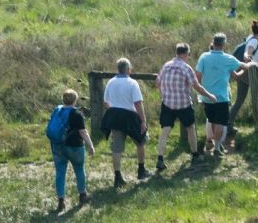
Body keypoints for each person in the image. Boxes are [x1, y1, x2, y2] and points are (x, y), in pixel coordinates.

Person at [154, 43, 217, 171]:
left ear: (177, 52)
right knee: (190, 127)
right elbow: (197, 86)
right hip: (183, 104)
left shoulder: (166, 66)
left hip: (167, 103)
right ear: (186, 54)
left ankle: (160, 158)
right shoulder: (186, 68)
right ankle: (194, 154)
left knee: (165, 130)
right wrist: (210, 96)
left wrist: (165, 93)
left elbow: (157, 83)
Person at [195, 33, 257, 155]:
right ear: (223, 44)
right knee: (221, 123)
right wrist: (252, 63)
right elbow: (243, 66)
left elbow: (197, 77)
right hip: (222, 97)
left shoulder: (203, 57)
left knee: (212, 120)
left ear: (213, 43)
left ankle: (214, 143)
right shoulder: (228, 59)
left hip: (207, 96)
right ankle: (217, 148)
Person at [100, 58, 150, 186]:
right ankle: (141, 170)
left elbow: (106, 102)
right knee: (140, 140)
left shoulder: (110, 82)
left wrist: (113, 110)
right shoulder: (132, 83)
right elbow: (138, 103)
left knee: (116, 147)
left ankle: (117, 177)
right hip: (130, 115)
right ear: (128, 69)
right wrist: (143, 121)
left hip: (115, 115)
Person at [50, 89, 96, 211]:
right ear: (75, 100)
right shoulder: (76, 114)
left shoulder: (57, 111)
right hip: (75, 147)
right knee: (79, 170)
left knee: (60, 173)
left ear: (63, 99)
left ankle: (61, 201)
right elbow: (83, 132)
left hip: (58, 146)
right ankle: (82, 195)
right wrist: (90, 145)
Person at [229, 20, 258, 135]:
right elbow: (248, 54)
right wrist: (247, 58)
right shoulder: (254, 42)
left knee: (239, 100)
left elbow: (256, 58)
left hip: (243, 73)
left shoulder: (251, 39)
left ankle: (228, 125)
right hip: (250, 74)